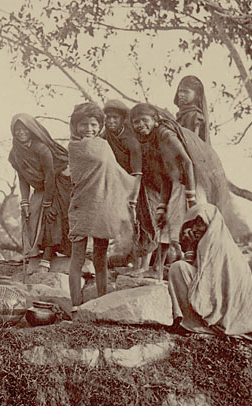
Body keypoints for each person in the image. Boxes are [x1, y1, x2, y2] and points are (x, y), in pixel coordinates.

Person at [67, 103, 137, 308]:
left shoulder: (104, 145)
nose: (89, 129)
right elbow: (82, 171)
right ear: (75, 126)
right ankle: (76, 304)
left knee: (100, 256)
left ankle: (102, 301)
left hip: (103, 204)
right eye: (83, 125)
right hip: (82, 203)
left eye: (93, 124)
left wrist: (132, 185)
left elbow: (113, 169)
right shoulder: (75, 146)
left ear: (99, 126)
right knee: (77, 258)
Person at [168, 203, 252, 341]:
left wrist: (190, 247)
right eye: (192, 224)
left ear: (211, 223)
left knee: (177, 269)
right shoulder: (210, 241)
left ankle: (201, 326)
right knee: (179, 268)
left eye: (200, 223)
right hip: (221, 303)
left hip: (228, 313)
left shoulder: (217, 245)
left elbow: (205, 284)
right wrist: (190, 247)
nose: (195, 229)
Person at [129, 103, 199, 279]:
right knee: (165, 227)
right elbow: (165, 173)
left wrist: (191, 197)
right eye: (136, 122)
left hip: (185, 183)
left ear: (156, 120)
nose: (140, 125)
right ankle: (157, 268)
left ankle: (194, 267)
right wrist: (162, 205)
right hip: (173, 184)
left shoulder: (165, 134)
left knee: (182, 228)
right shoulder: (150, 140)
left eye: (144, 120)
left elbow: (187, 162)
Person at [8, 113, 72, 272]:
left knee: (51, 216)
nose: (21, 133)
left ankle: (47, 258)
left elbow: (50, 175)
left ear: (32, 130)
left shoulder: (41, 148)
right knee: (30, 215)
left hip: (58, 183)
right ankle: (34, 254)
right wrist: (24, 201)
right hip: (40, 186)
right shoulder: (15, 153)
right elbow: (23, 178)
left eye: (25, 129)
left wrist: (48, 202)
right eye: (17, 130)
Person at [102, 99, 145, 265]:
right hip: (115, 184)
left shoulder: (131, 140)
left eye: (115, 117)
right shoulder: (105, 137)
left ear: (122, 119)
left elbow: (138, 173)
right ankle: (123, 254)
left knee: (135, 221)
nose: (111, 121)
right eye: (107, 118)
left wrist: (133, 198)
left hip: (136, 186)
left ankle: (138, 259)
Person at [173, 75, 210, 144]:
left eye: (186, 92)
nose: (181, 94)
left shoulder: (196, 115)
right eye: (180, 91)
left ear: (196, 95)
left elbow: (194, 141)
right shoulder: (181, 114)